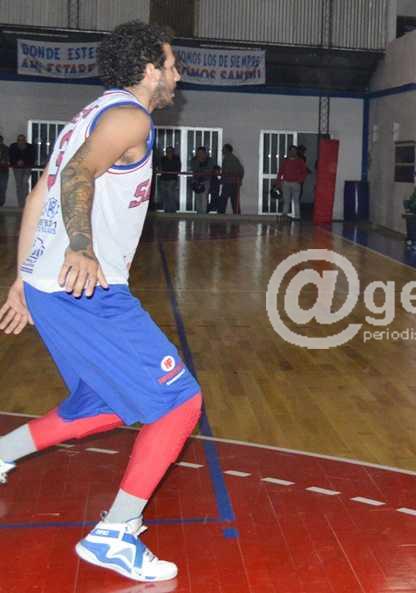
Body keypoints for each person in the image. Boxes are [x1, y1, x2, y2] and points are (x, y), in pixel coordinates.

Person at [0, 21, 199, 581]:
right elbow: (76, 176)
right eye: (171, 64)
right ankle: (115, 532)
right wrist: (82, 247)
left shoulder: (90, 115)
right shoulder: (130, 117)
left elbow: (40, 191)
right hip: (85, 288)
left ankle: (2, 451)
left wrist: (22, 278)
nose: (178, 75)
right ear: (149, 69)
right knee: (179, 402)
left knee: (104, 403)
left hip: (52, 287)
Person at [277, 145, 308, 220]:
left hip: (296, 183)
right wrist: (278, 182)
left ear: (296, 152)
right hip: (286, 183)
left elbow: (304, 172)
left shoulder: (300, 161)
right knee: (286, 201)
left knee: (296, 201)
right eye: (291, 151)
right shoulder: (285, 161)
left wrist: (300, 180)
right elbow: (280, 171)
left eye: (294, 151)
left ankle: (297, 217)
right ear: (289, 151)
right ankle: (284, 215)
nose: (292, 152)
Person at [9, 134, 35, 208]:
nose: (21, 141)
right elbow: (11, 156)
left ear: (25, 140)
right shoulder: (13, 146)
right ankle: (21, 204)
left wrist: (23, 161)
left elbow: (32, 158)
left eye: (22, 140)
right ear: (17, 141)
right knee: (19, 185)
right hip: (17, 168)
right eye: (19, 140)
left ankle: (26, 203)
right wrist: (16, 162)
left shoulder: (30, 147)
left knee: (25, 183)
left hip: (27, 167)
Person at [219, 143, 244, 214]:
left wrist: (222, 179)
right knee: (234, 201)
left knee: (223, 199)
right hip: (234, 182)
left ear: (227, 150)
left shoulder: (228, 158)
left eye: (223, 149)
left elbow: (227, 171)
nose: (222, 150)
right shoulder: (234, 158)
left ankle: (220, 216)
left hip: (229, 182)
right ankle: (237, 216)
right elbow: (241, 170)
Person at [158, 146, 181, 213]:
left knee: (170, 194)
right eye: (168, 151)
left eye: (170, 151)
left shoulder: (176, 159)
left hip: (172, 179)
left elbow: (178, 168)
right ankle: (166, 210)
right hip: (163, 179)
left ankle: (173, 210)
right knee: (165, 195)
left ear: (173, 152)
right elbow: (160, 168)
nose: (169, 152)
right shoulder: (163, 158)